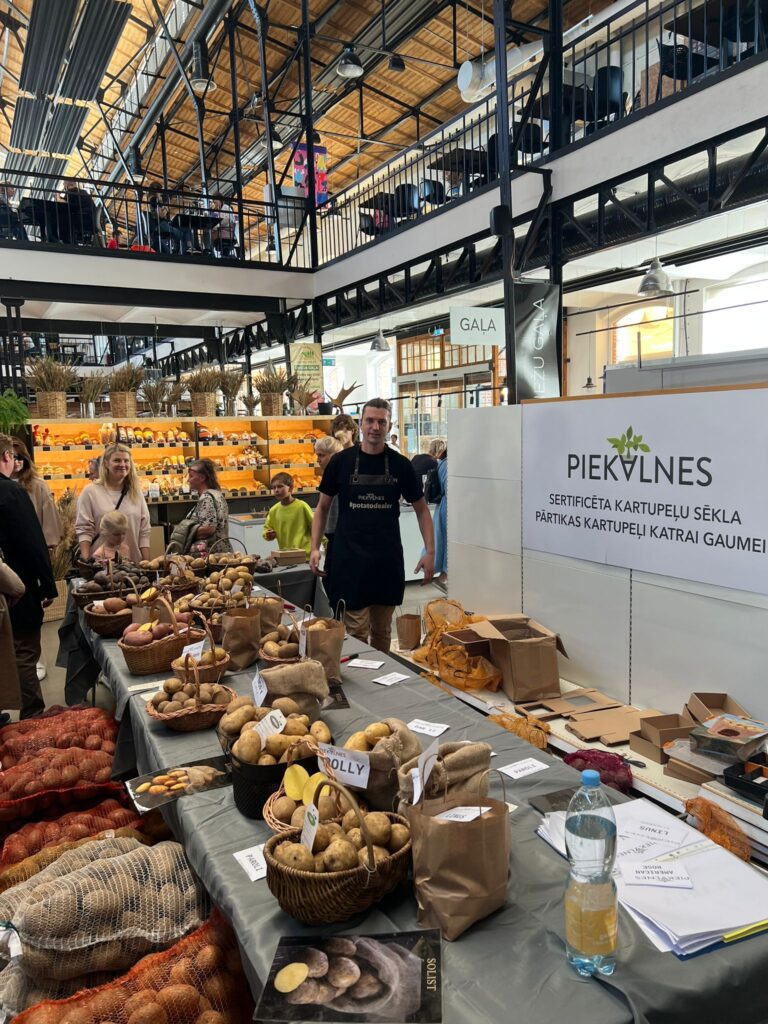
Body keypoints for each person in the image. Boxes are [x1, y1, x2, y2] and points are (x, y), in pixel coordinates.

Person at [310, 398, 435, 652]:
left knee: (382, 631)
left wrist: (430, 552)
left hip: (386, 562)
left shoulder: (400, 465)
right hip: (350, 561)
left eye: (381, 422)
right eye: (370, 421)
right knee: (356, 631)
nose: (375, 427)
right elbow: (322, 507)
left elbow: (422, 510)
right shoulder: (341, 462)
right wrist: (314, 547)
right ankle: (359, 675)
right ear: (360, 424)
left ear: (389, 425)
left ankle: (381, 676)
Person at [0, 433, 57, 717]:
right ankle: (32, 716)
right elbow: (32, 543)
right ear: (7, 457)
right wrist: (47, 585)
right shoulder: (12, 492)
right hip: (14, 586)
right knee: (24, 651)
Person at [75, 444, 150, 563]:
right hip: (100, 565)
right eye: (117, 460)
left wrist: (146, 562)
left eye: (126, 461)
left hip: (132, 565)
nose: (122, 464)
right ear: (106, 464)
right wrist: (85, 561)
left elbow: (144, 531)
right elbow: (84, 529)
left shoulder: (135, 492)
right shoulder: (90, 492)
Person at [12, 441, 62, 549]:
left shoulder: (38, 485)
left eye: (20, 457)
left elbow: (50, 518)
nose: (17, 462)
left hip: (33, 546)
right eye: (13, 457)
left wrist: (48, 545)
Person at [314, 436, 344, 589]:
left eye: (321, 455)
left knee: (333, 581)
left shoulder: (341, 476)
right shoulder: (329, 475)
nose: (318, 460)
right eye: (317, 455)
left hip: (342, 537)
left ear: (334, 455)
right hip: (332, 537)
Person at [187, 459, 232, 552]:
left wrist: (184, 533)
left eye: (191, 476)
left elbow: (208, 529)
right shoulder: (216, 494)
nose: (188, 480)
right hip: (222, 551)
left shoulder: (206, 498)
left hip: (211, 553)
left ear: (202, 478)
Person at [263, 473, 314, 554]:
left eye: (280, 486)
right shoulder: (273, 510)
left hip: (305, 554)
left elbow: (316, 526)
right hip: (285, 554)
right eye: (274, 487)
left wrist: (325, 544)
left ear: (291, 488)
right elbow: (266, 529)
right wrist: (268, 534)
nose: (276, 490)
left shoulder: (302, 506)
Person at [432, 447, 448, 589]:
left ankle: (444, 577)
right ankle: (444, 578)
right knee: (448, 545)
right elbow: (450, 490)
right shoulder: (449, 464)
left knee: (444, 543)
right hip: (449, 509)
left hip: (443, 507)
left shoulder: (442, 462)